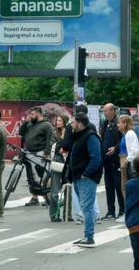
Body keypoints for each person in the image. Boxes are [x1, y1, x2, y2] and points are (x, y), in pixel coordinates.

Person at [70, 112, 103, 247]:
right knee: (85, 206)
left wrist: (86, 173)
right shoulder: (79, 136)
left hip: (86, 177)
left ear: (80, 124)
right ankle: (86, 236)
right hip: (78, 176)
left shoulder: (90, 137)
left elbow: (96, 158)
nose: (71, 125)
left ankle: (89, 237)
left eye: (73, 122)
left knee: (86, 206)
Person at [18, 106, 54, 206]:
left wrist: (46, 152)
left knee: (43, 176)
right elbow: (21, 132)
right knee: (32, 175)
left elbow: (49, 139)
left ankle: (47, 197)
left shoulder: (46, 125)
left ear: (38, 114)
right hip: (30, 153)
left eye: (32, 114)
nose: (30, 116)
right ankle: (35, 197)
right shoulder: (30, 124)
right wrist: (25, 122)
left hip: (40, 153)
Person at [99, 103, 124, 220]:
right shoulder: (104, 124)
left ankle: (122, 210)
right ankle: (110, 210)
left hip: (116, 159)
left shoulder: (118, 123)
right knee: (109, 187)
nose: (104, 113)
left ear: (113, 111)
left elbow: (123, 139)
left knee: (118, 186)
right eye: (103, 111)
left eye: (106, 111)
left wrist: (116, 148)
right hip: (106, 159)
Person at [48, 113, 71, 222]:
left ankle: (68, 213)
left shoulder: (70, 133)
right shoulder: (54, 134)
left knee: (68, 189)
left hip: (67, 162)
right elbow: (56, 148)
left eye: (60, 121)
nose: (57, 122)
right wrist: (62, 138)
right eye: (57, 120)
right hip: (57, 161)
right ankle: (54, 214)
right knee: (55, 189)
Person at [118, 114, 139, 213]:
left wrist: (126, 161)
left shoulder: (130, 134)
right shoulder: (125, 135)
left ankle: (132, 211)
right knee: (124, 188)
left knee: (128, 187)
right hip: (124, 161)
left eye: (119, 123)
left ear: (125, 123)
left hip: (128, 162)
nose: (118, 125)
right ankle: (129, 211)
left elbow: (135, 151)